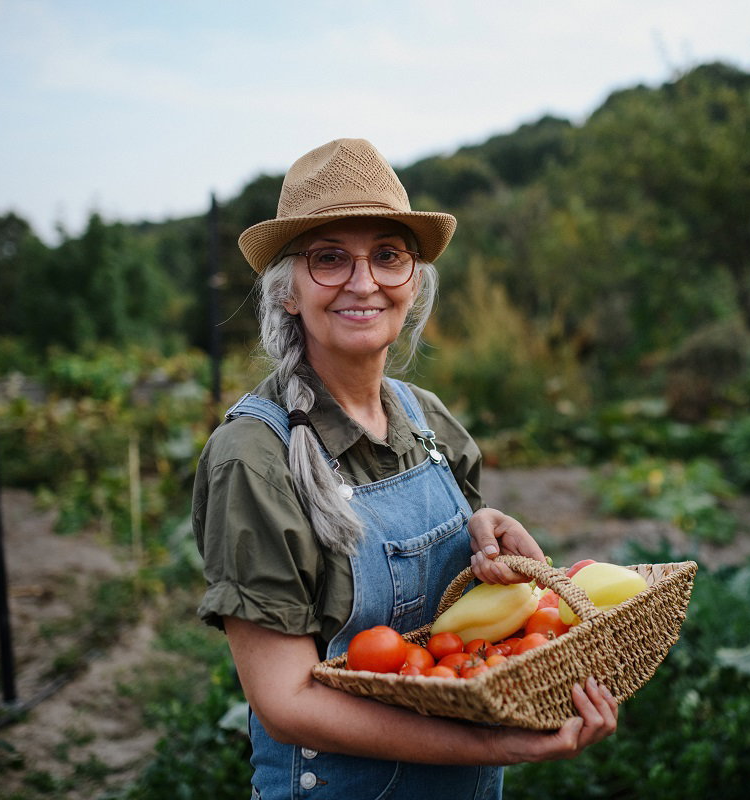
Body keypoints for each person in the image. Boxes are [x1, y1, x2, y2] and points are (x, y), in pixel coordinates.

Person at [191, 138, 618, 800]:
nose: (363, 283)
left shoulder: (430, 421)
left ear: (412, 282)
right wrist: (492, 743)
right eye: (329, 259)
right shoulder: (254, 455)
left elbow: (461, 633)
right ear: (287, 292)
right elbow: (286, 702)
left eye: (387, 256)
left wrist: (494, 547)